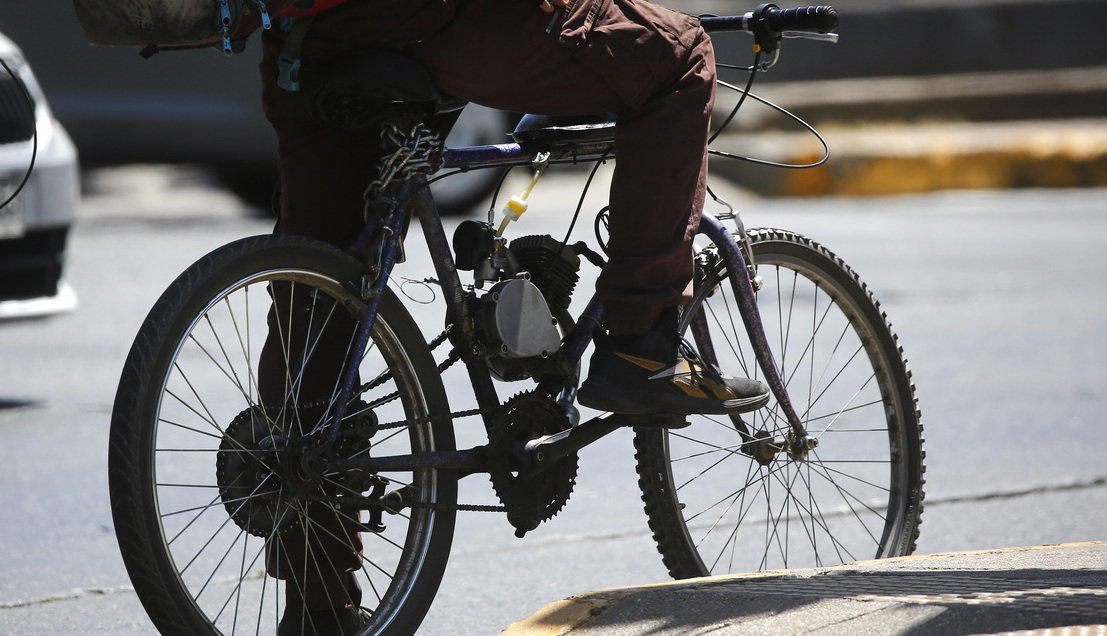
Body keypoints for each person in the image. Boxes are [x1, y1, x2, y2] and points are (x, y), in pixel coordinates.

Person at [257, 0, 770, 632]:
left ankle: (319, 602)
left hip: (305, 39)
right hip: (432, 18)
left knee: (321, 293)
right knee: (677, 57)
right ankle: (642, 344)